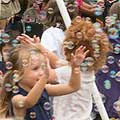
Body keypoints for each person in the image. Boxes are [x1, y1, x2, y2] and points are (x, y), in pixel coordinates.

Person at [0, 43, 88, 119]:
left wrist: (75, 67)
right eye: (35, 69)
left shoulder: (44, 89)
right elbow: (29, 101)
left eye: (43, 67)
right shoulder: (16, 97)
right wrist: (45, 77)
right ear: (18, 75)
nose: (41, 72)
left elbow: (73, 87)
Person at [52, 16, 110, 120]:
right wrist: (41, 49)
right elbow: (57, 62)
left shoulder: (66, 72)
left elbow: (45, 75)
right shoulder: (88, 71)